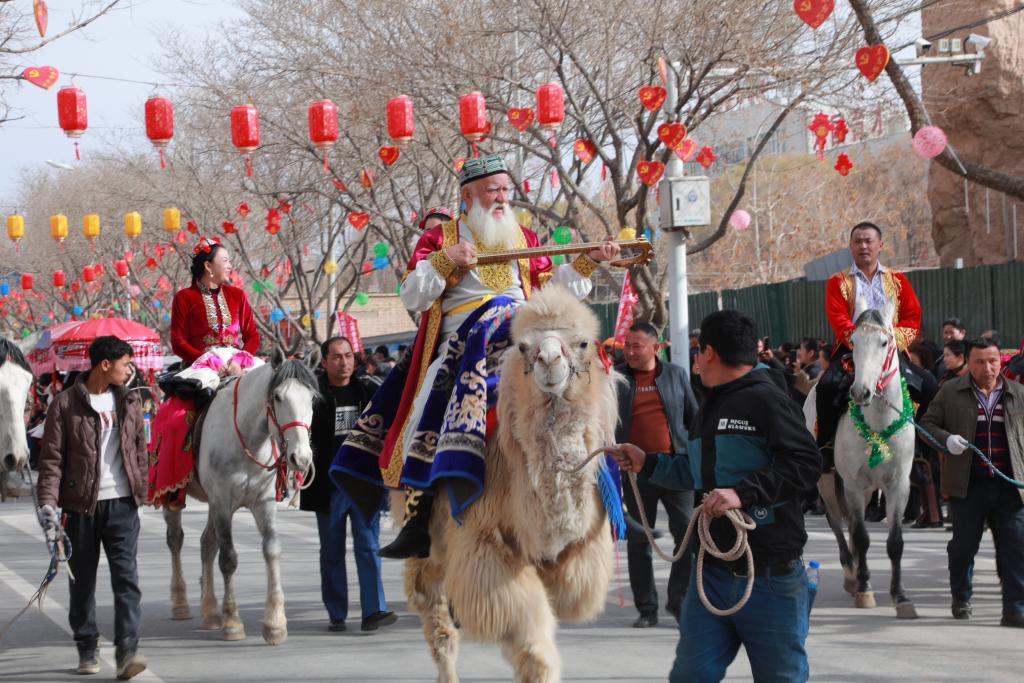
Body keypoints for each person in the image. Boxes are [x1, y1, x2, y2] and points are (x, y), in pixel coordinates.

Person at [332, 153, 621, 559]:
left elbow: (554, 290)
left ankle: (607, 488)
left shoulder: (525, 238)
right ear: (468, 195)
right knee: (428, 402)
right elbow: (412, 295)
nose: (503, 197)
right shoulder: (440, 238)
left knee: (591, 379)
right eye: (493, 190)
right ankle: (419, 514)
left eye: (506, 189)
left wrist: (588, 263)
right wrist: (443, 261)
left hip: (522, 332)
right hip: (464, 341)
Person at [611, 310, 822, 682]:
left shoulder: (768, 398)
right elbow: (700, 472)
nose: (694, 359)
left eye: (696, 351)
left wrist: (743, 494)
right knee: (690, 676)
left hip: (770, 575)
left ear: (708, 352)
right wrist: (647, 464)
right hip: (709, 573)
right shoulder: (711, 401)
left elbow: (806, 463)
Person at [36, 336, 149, 679]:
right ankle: (87, 646)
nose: (130, 369)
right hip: (79, 507)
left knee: (126, 578)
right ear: (105, 364)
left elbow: (139, 449)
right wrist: (48, 506)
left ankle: (127, 653)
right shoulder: (65, 404)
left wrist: (139, 492)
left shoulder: (129, 400)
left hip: (122, 506)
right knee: (81, 582)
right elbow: (52, 459)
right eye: (125, 364)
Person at [148, 237, 262, 509]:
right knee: (172, 418)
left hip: (238, 363)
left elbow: (253, 335)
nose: (230, 265)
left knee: (275, 401)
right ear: (209, 266)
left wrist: (239, 359)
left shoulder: (237, 296)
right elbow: (178, 341)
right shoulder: (183, 298)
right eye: (226, 260)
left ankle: (279, 474)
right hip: (201, 366)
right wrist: (207, 359)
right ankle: (174, 485)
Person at [920, 338, 1024, 627]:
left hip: (1010, 487)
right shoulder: (950, 392)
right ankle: (961, 596)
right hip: (968, 486)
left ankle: (1015, 607)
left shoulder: (1018, 393)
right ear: (968, 362)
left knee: (1016, 546)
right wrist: (946, 441)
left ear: (1000, 361)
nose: (987, 368)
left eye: (992, 361)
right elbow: (927, 426)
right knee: (964, 547)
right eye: (979, 361)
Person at [301, 337, 397, 632]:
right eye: (337, 357)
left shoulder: (369, 390)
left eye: (348, 357)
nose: (344, 363)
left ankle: (373, 610)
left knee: (368, 546)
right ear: (325, 361)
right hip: (327, 485)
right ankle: (337, 612)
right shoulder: (310, 394)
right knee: (331, 551)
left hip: (363, 483)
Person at [816, 222, 922, 469]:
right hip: (853, 348)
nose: (863, 246)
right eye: (858, 241)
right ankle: (824, 446)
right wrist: (863, 340)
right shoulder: (837, 282)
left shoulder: (898, 280)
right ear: (851, 246)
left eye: (868, 241)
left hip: (890, 348)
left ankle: (920, 451)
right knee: (826, 387)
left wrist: (889, 340)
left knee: (926, 386)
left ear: (880, 245)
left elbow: (912, 318)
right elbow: (838, 319)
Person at [615, 322, 698, 628]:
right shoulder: (616, 378)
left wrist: (695, 459)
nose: (631, 351)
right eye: (628, 345)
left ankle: (679, 602)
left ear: (656, 347)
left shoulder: (676, 374)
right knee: (640, 541)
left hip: (676, 469)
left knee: (687, 537)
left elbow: (694, 418)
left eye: (638, 346)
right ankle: (647, 609)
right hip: (636, 473)